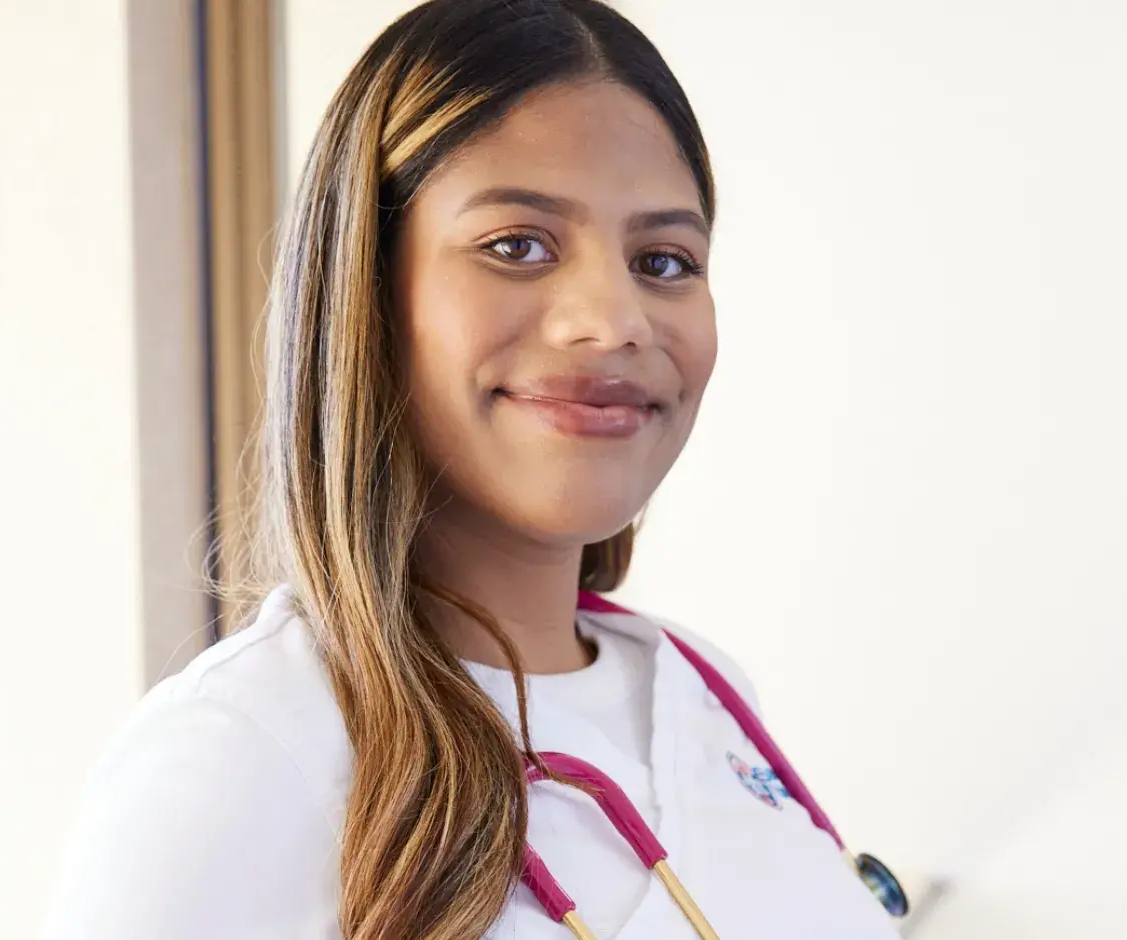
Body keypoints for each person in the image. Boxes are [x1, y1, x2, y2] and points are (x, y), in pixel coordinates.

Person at [44, 2, 902, 937]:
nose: (612, 319)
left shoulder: (707, 693)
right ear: (365, 294)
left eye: (664, 259)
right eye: (517, 246)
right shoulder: (242, 755)